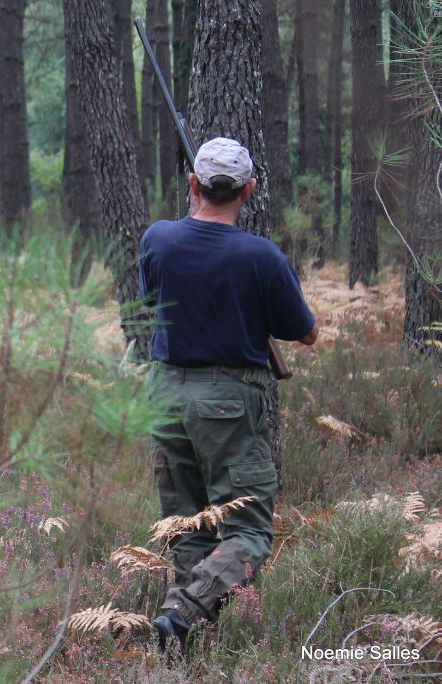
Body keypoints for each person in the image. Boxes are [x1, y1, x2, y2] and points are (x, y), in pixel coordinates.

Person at [138, 137, 318, 652]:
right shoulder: (261, 256)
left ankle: (181, 642)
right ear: (249, 190)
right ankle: (184, 611)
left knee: (189, 523)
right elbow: (304, 332)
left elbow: (151, 298)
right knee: (250, 532)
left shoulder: (158, 239)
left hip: (165, 392)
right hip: (227, 400)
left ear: (192, 184)